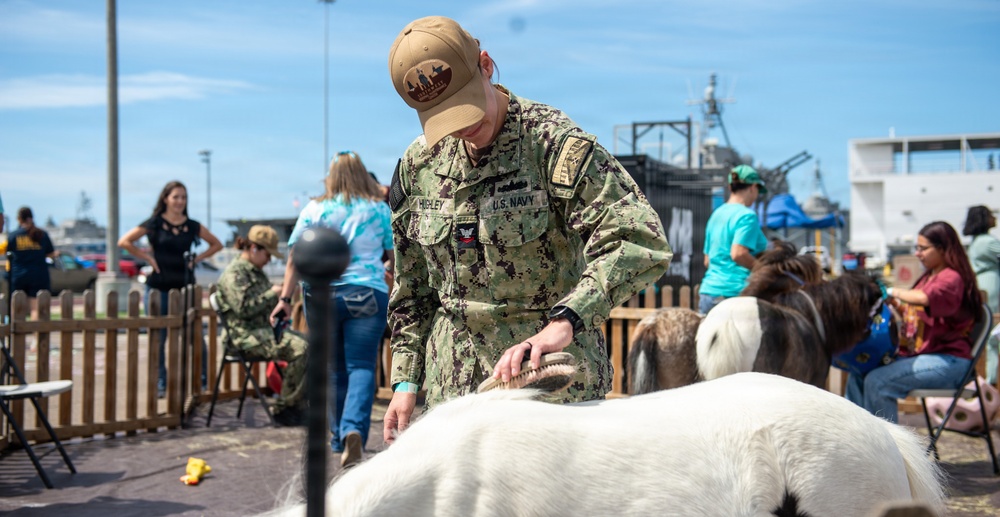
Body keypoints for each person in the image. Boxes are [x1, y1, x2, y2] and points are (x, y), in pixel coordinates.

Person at [383, 16, 672, 443]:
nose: (462, 127)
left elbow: (639, 240)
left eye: (465, 105)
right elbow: (413, 287)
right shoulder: (419, 165)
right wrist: (406, 382)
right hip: (455, 394)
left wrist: (567, 320)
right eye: (444, 116)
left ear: (486, 64)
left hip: (549, 386)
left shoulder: (554, 146)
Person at [271, 150, 393, 467]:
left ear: (331, 176)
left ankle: (338, 437)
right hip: (367, 290)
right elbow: (396, 255)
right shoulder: (378, 209)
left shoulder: (315, 208)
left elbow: (296, 257)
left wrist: (285, 300)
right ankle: (354, 428)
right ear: (363, 174)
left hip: (322, 293)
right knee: (362, 366)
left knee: (334, 369)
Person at [846, 221, 982, 423]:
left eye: (923, 248)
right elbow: (916, 311)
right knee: (858, 373)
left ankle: (888, 449)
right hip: (926, 357)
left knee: (878, 381)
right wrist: (895, 303)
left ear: (944, 248)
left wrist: (893, 291)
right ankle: (859, 438)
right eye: (917, 248)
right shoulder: (929, 276)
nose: (918, 253)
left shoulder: (952, 278)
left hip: (950, 362)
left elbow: (925, 299)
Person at [118, 180, 223, 397]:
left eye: (183, 197)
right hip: (158, 288)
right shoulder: (154, 223)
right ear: (166, 198)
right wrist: (147, 257)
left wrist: (197, 259)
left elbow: (217, 244)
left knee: (195, 336)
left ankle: (203, 381)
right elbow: (125, 242)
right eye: (175, 196)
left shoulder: (192, 225)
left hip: (186, 287)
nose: (180, 201)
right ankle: (160, 383)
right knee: (159, 337)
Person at [214, 225, 308, 426]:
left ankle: (295, 404)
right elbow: (243, 309)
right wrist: (272, 293)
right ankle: (285, 408)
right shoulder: (235, 273)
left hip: (261, 332)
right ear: (254, 248)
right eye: (268, 254)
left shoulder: (256, 272)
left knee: (308, 343)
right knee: (301, 348)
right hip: (244, 337)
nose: (269, 260)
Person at [698, 164, 768, 314]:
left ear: (730, 188)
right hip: (735, 295)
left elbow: (707, 260)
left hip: (708, 294)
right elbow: (738, 253)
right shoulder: (747, 216)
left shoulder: (716, 215)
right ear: (753, 187)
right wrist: (764, 270)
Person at [963, 205, 1000, 384]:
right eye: (991, 215)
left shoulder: (976, 242)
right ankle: (992, 379)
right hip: (992, 285)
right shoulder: (988, 242)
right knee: (994, 334)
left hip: (982, 284)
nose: (995, 218)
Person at [5, 207, 57, 319]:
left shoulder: (14, 235)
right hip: (38, 274)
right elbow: (50, 253)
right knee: (35, 308)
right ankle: (36, 335)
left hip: (19, 274)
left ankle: (17, 334)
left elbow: (8, 253)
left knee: (17, 307)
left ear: (19, 219)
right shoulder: (41, 234)